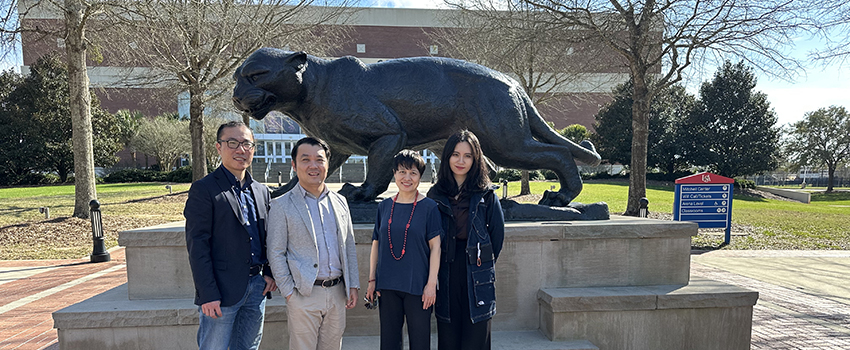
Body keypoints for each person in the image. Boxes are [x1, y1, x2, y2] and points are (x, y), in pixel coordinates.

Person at [184, 121, 277, 350]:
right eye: (232, 143)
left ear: (253, 149)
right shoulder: (204, 189)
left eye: (246, 144)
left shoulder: (262, 191)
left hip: (257, 289)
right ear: (218, 147)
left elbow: (271, 238)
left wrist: (270, 273)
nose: (240, 149)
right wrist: (207, 294)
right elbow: (198, 246)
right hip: (221, 292)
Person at [266, 136, 360, 350]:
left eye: (319, 159)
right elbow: (276, 252)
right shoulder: (281, 205)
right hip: (303, 293)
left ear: (328, 163)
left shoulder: (340, 201)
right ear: (294, 165)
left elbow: (348, 245)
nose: (313, 165)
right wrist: (290, 293)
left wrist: (352, 285)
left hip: (337, 292)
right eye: (305, 159)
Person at [427, 130, 505, 350]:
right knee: (448, 337)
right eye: (455, 154)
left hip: (477, 273)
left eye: (468, 155)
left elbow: (497, 237)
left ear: (476, 159)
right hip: (446, 270)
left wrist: (482, 265)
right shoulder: (436, 194)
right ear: (447, 158)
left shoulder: (487, 195)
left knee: (476, 338)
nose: (461, 161)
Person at [366, 150, 442, 350]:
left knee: (420, 342)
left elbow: (436, 247)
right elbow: (376, 243)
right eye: (402, 171)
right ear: (394, 173)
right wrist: (372, 280)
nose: (407, 178)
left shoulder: (429, 207)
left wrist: (431, 284)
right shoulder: (384, 207)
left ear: (420, 176)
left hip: (418, 287)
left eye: (413, 173)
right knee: (389, 342)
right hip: (387, 285)